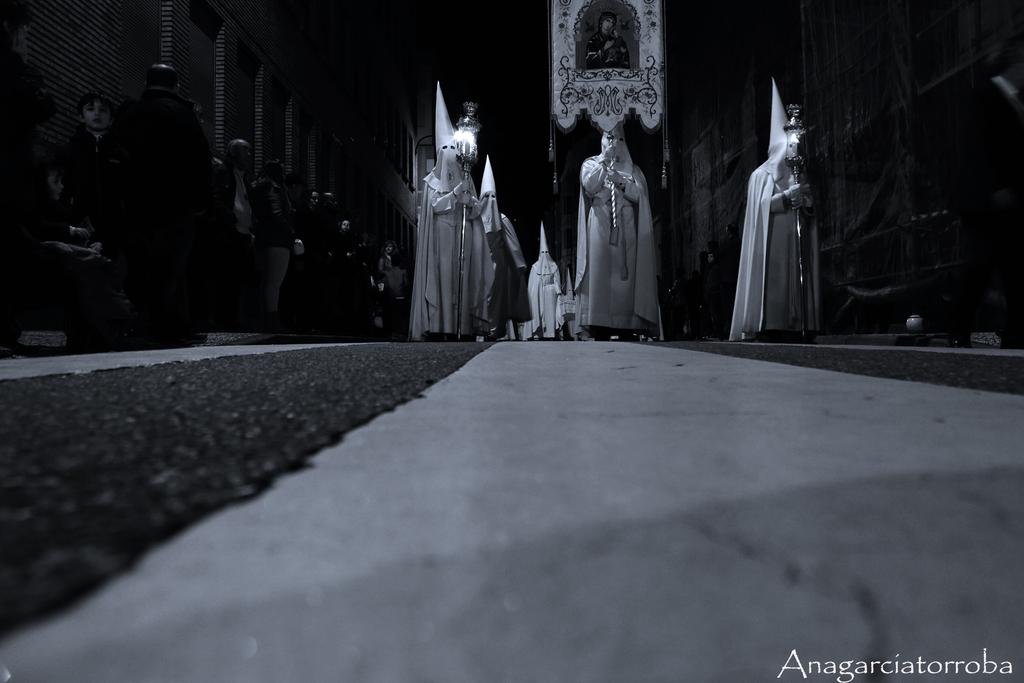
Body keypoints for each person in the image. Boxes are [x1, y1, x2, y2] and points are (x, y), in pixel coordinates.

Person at [109, 63, 212, 344]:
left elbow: (114, 154)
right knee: (171, 266)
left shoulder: (129, 112)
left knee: (140, 264)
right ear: (176, 84)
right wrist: (201, 201)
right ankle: (169, 325)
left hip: (136, 202)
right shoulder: (183, 113)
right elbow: (199, 159)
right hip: (175, 204)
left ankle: (141, 323)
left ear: (146, 82)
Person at [730, 78, 820, 342]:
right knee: (775, 285)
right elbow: (758, 212)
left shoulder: (800, 172)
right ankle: (770, 323)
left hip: (795, 241)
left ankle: (801, 321)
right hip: (771, 248)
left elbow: (811, 206)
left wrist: (806, 202)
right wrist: (783, 199)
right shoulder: (761, 176)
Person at [949, 41, 1024, 349]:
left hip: (1009, 201)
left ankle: (1017, 332)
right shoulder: (985, 95)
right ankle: (958, 327)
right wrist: (994, 188)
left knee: (1014, 267)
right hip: (985, 200)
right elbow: (977, 149)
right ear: (1014, 66)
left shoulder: (1015, 101)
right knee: (979, 266)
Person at [409, 82, 494, 340]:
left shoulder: (466, 178)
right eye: (444, 148)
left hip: (462, 236)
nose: (448, 152)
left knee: (462, 279)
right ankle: (441, 326)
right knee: (443, 280)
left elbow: (477, 209)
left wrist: (470, 200)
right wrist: (455, 194)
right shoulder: (431, 181)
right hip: (441, 238)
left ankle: (463, 326)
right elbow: (435, 206)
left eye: (452, 148)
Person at [575, 123, 661, 340]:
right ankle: (599, 322)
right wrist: (605, 162)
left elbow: (639, 196)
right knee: (600, 271)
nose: (613, 143)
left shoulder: (633, 170)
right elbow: (589, 185)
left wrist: (622, 183)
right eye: (609, 138)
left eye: (617, 139)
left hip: (626, 224)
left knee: (626, 274)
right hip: (601, 224)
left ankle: (626, 323)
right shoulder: (591, 164)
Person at [61, 92, 127, 275]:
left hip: (115, 232)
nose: (97, 114)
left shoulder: (121, 155)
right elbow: (63, 191)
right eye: (91, 109)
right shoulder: (70, 150)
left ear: (112, 119)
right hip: (78, 230)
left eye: (103, 110)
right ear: (81, 116)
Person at [476, 156, 531, 339]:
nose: (490, 200)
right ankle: (481, 327)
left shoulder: (502, 219)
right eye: (486, 196)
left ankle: (495, 328)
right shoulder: (475, 219)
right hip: (480, 263)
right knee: (482, 296)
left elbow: (512, 243)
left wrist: (518, 264)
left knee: (497, 297)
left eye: (493, 196)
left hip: (498, 265)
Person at [249, 159, 292, 332]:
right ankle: (272, 320)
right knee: (274, 282)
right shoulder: (274, 188)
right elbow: (277, 212)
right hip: (278, 238)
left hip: (263, 236)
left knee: (265, 281)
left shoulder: (257, 186)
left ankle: (264, 318)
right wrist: (291, 231)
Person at [526, 223, 563, 339]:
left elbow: (558, 282)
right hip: (540, 295)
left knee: (551, 314)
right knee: (539, 312)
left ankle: (552, 333)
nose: (545, 256)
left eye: (546, 253)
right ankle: (538, 332)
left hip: (551, 295)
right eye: (543, 253)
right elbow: (532, 288)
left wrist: (556, 288)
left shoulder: (554, 266)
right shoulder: (535, 267)